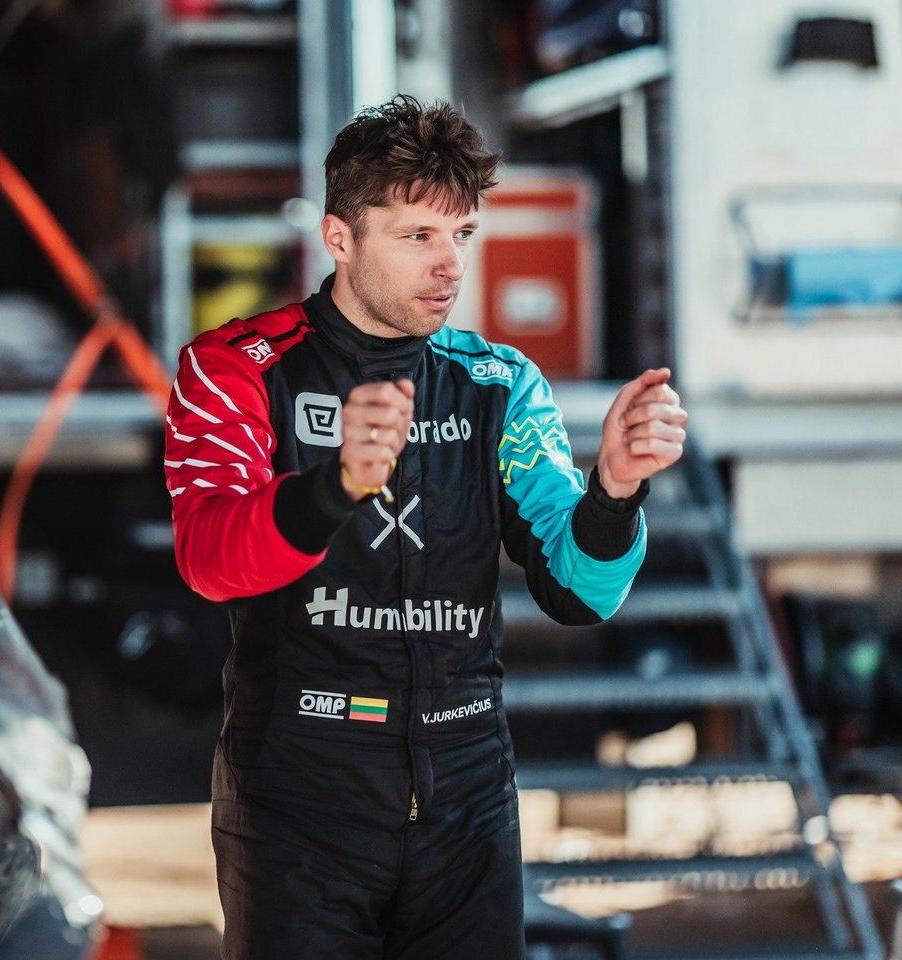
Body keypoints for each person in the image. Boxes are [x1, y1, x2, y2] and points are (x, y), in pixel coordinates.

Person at [162, 95, 687, 959]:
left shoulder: (498, 382)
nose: (449, 265)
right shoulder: (234, 370)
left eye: (462, 235)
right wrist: (335, 487)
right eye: (417, 236)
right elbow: (211, 559)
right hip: (300, 791)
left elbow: (579, 593)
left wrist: (614, 490)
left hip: (468, 789)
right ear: (339, 238)